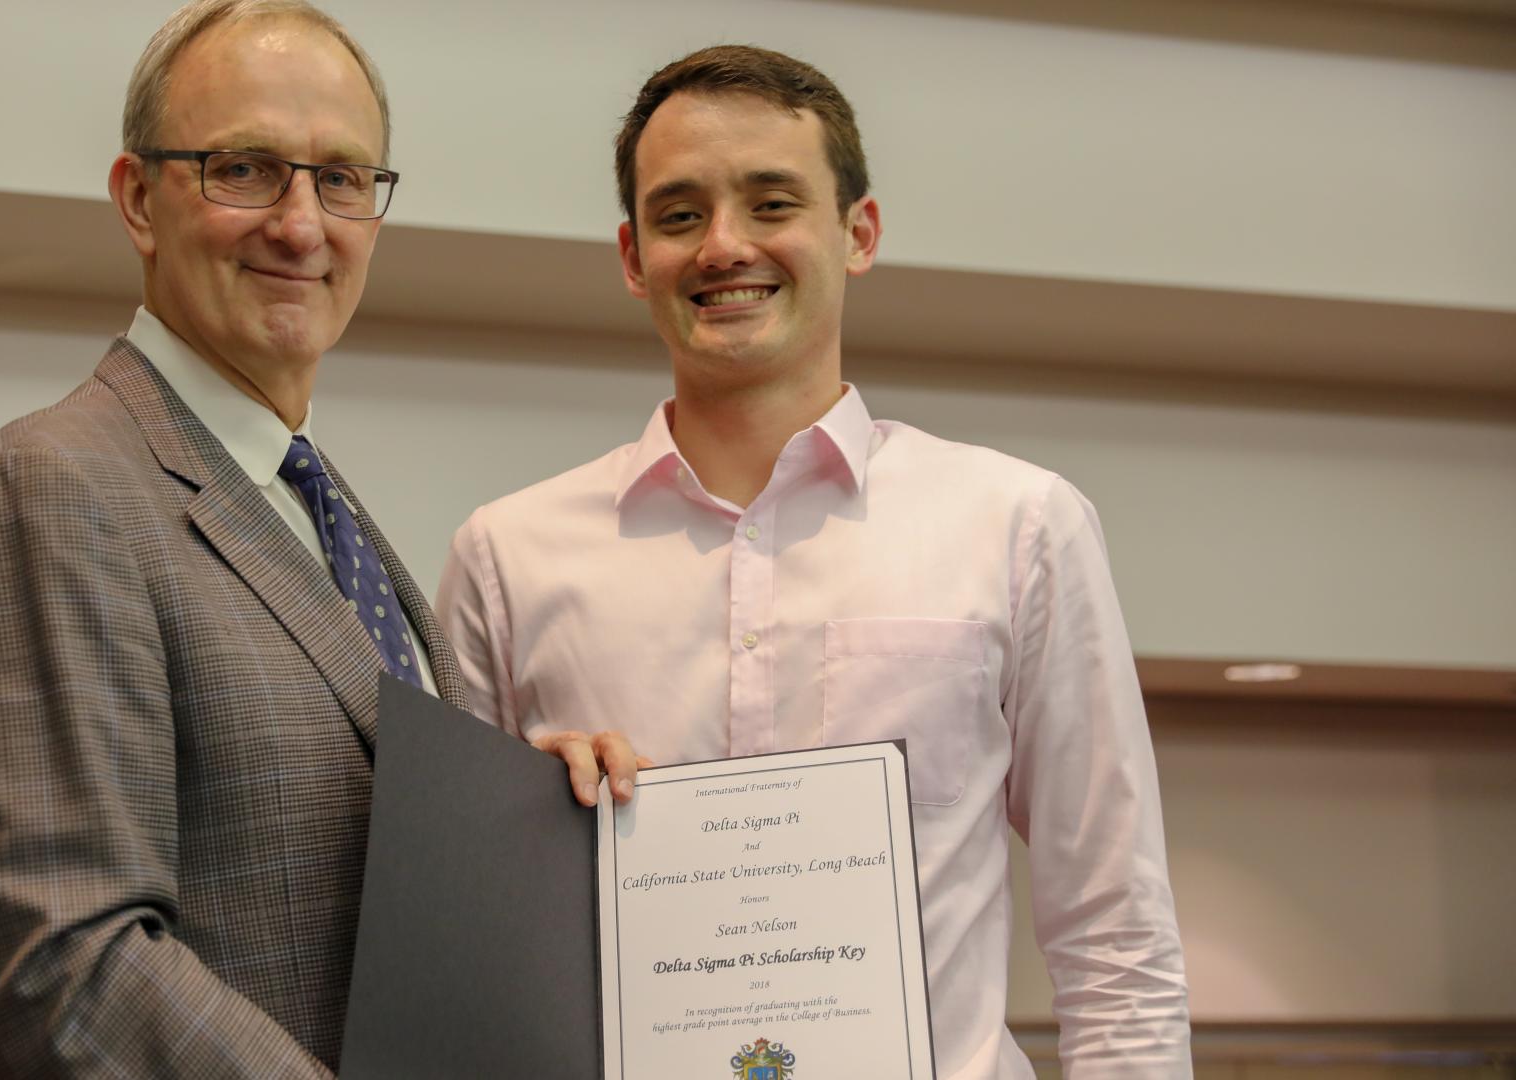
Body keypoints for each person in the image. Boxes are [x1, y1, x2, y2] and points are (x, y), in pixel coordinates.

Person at [436, 45, 1192, 1078]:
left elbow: (1117, 942)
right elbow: (466, 948)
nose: (723, 246)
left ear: (859, 232)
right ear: (630, 255)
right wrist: (533, 825)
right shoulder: (506, 555)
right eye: (679, 214)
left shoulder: (1019, 524)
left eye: (772, 202)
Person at [0, 2, 467, 1075]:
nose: (302, 225)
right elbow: (63, 968)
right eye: (246, 169)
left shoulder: (321, 510)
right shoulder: (53, 486)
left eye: (342, 178)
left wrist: (547, 810)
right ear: (138, 199)